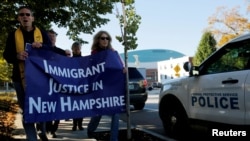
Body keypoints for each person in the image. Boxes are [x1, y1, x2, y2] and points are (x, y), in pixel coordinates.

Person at [3, 6, 50, 141]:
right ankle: (32, 138)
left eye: (28, 14)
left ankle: (42, 127)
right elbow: (7, 55)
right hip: (20, 78)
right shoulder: (13, 35)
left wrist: (42, 46)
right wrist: (17, 55)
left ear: (32, 18)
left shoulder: (41, 33)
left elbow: (50, 50)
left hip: (41, 78)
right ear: (18, 18)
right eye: (22, 14)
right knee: (27, 111)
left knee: (42, 107)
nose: (25, 17)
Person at [87, 30, 126, 141]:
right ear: (98, 40)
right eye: (102, 38)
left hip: (113, 88)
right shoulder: (94, 54)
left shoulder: (114, 53)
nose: (105, 40)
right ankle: (90, 129)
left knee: (116, 113)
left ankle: (114, 138)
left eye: (107, 38)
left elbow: (120, 66)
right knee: (98, 113)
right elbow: (93, 70)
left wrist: (124, 69)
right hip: (101, 88)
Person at [44, 29, 68, 138]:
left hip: (59, 85)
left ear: (56, 38)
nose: (51, 38)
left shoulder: (61, 52)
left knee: (59, 108)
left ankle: (54, 128)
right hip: (45, 84)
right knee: (48, 108)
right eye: (49, 36)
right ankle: (47, 128)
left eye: (53, 36)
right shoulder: (40, 51)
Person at [71, 41, 84, 131]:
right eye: (75, 49)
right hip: (72, 86)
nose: (77, 50)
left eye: (78, 49)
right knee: (74, 107)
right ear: (72, 50)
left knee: (82, 107)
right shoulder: (69, 60)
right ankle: (74, 124)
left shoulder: (84, 60)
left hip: (82, 86)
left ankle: (80, 124)